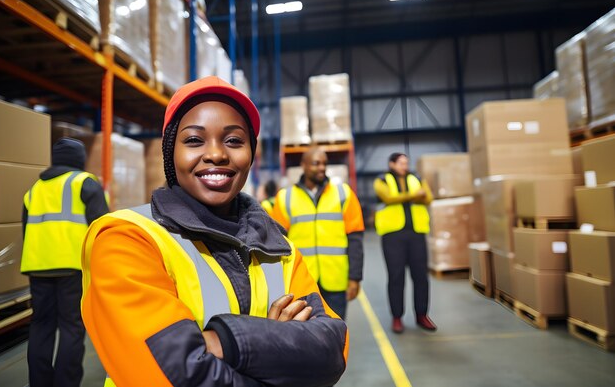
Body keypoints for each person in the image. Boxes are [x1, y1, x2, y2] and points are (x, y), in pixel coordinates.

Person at [80, 76, 348, 387]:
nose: (217, 154)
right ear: (171, 153)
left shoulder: (280, 250)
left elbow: (332, 351)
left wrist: (221, 344)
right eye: (194, 140)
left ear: (251, 154)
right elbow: (170, 376)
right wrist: (275, 346)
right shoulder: (127, 238)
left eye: (234, 140)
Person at [21, 137, 109, 387]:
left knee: (41, 325)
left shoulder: (35, 189)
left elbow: (26, 229)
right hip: (72, 266)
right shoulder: (84, 182)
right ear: (79, 160)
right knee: (72, 326)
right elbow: (102, 229)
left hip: (37, 266)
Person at [271, 148, 365, 320]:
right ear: (303, 166)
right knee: (304, 334)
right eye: (316, 163)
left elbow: (355, 238)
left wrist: (355, 278)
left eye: (324, 163)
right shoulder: (285, 198)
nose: (321, 167)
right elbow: (276, 242)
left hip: (335, 279)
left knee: (335, 330)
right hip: (302, 279)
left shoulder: (344, 194)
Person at [374, 152, 437, 333]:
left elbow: (429, 198)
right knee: (396, 276)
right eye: (401, 163)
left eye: (406, 163)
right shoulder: (382, 180)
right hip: (393, 235)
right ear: (391, 164)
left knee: (421, 277)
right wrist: (414, 195)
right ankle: (397, 317)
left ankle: (422, 315)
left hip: (416, 233)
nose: (405, 166)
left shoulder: (416, 177)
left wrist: (412, 196)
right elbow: (388, 198)